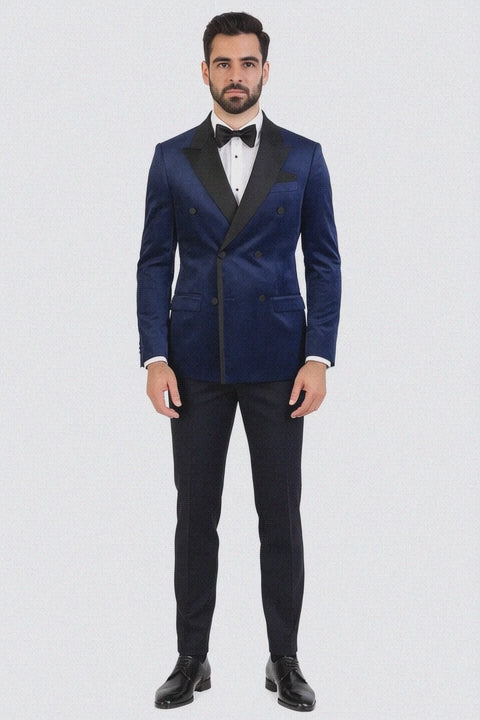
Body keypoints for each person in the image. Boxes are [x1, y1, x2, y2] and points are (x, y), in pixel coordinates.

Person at [137, 11, 341, 712]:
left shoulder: (303, 156)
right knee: (195, 514)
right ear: (205, 71)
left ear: (265, 70)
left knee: (280, 516)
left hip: (281, 365)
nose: (235, 75)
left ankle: (284, 658)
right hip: (193, 361)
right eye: (222, 63)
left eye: (247, 62)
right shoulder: (171, 157)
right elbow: (153, 262)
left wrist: (318, 356)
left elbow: (324, 261)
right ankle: (191, 656)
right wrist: (154, 356)